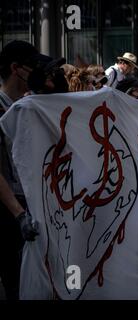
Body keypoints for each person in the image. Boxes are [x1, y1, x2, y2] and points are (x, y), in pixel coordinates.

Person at [0, 40, 43, 300]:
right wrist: (18, 215)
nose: (36, 73)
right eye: (33, 67)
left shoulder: (27, 106)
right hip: (8, 213)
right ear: (16, 68)